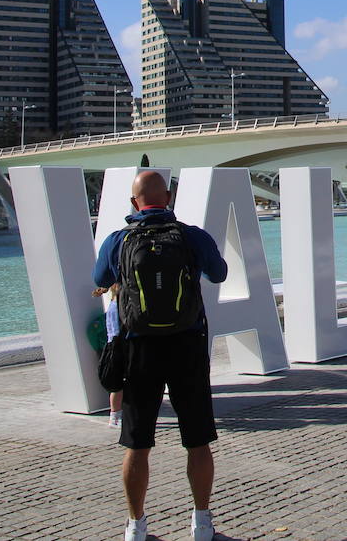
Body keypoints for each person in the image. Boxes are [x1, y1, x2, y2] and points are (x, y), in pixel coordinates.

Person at [94, 170, 228, 541]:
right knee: (197, 439)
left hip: (139, 347)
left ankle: (136, 528)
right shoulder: (192, 236)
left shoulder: (118, 240)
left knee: (137, 443)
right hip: (187, 342)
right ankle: (202, 526)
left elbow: (99, 278)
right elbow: (219, 274)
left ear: (133, 203)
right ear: (168, 198)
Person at [92, 283, 124, 428]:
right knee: (120, 385)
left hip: (111, 346)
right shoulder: (119, 306)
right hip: (120, 346)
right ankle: (116, 416)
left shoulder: (112, 305)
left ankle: (115, 415)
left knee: (116, 386)